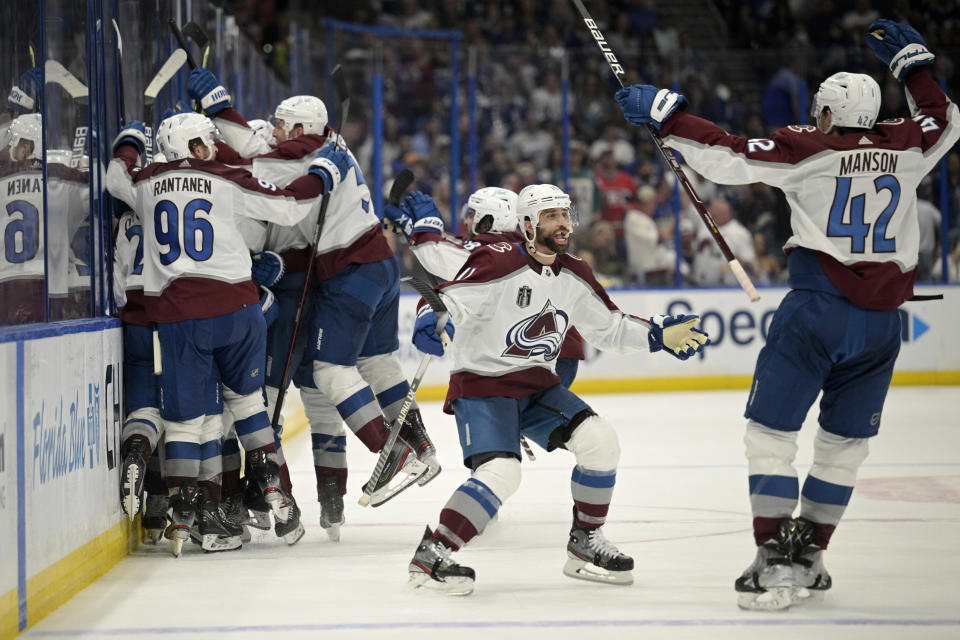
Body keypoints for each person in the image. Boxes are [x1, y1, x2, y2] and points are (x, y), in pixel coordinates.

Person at [615, 18, 959, 610]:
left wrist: (668, 117)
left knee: (771, 435)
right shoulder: (908, 145)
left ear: (826, 113)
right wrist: (916, 69)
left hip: (816, 311)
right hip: (881, 324)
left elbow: (726, 157)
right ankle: (813, 554)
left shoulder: (810, 148)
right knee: (844, 447)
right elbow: (946, 120)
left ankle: (776, 557)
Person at [403, 183, 710, 595]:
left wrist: (656, 335)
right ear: (527, 224)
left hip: (537, 384)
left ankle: (584, 541)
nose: (563, 223)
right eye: (552, 216)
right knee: (503, 472)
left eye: (566, 214)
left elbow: (611, 327)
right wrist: (430, 317)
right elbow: (448, 298)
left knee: (601, 440)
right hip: (483, 385)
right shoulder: (497, 260)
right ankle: (433, 553)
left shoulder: (574, 272)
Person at [187, 69, 440, 537]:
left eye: (281, 126)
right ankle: (416, 445)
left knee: (323, 376)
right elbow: (260, 154)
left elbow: (257, 166)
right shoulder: (320, 145)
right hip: (375, 265)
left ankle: (395, 455)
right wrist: (220, 114)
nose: (275, 133)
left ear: (300, 130)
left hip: (342, 273)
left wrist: (218, 128)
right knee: (376, 364)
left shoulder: (307, 156)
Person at [105, 111, 350, 554]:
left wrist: (127, 142)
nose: (212, 148)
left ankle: (186, 513)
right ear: (192, 146)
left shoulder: (144, 180)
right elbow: (290, 205)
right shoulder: (226, 177)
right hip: (240, 309)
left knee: (187, 421)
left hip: (181, 316)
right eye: (205, 142)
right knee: (248, 404)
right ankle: (274, 491)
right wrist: (324, 172)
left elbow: (114, 178)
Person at [382, 186, 586, 389]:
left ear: (489, 220)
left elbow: (441, 255)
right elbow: (455, 245)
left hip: (541, 354)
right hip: (547, 352)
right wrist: (412, 227)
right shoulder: (513, 243)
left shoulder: (497, 251)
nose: (466, 221)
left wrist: (426, 226)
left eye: (471, 214)